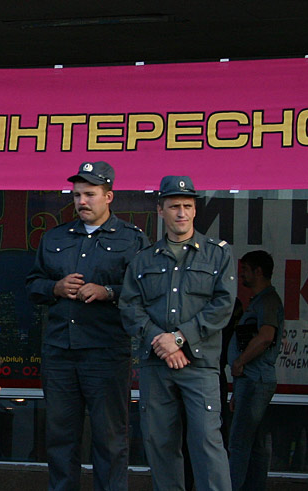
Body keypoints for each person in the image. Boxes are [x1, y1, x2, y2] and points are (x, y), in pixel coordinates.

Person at [25, 160, 148, 490]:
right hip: (60, 352)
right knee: (60, 439)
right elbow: (32, 284)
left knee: (110, 439)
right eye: (77, 195)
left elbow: (147, 292)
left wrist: (108, 292)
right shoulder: (55, 237)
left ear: (109, 196)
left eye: (89, 194)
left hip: (105, 352)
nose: (81, 201)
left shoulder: (132, 239)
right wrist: (55, 287)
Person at [120, 175, 236, 491]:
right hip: (156, 364)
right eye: (174, 206)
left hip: (199, 365)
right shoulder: (143, 259)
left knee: (207, 443)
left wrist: (179, 339)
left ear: (195, 210)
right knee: (159, 443)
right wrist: (161, 341)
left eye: (187, 205)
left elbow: (223, 305)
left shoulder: (218, 254)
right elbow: (129, 306)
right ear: (160, 210)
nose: (181, 213)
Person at [227, 250, 284, 490]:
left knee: (239, 442)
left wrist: (240, 362)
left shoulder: (268, 301)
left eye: (245, 270)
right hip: (249, 381)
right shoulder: (259, 301)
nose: (241, 275)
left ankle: (233, 486)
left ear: (258, 272)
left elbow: (265, 337)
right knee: (255, 443)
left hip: (254, 379)